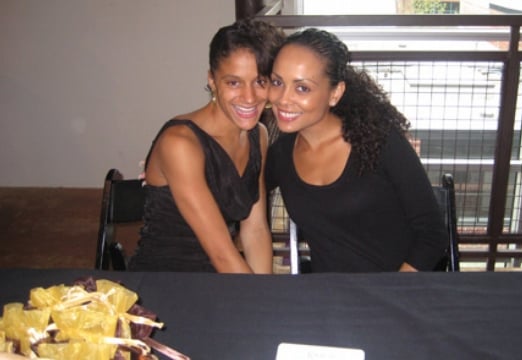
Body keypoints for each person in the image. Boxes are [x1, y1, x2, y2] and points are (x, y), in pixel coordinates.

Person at [265, 28, 448, 273]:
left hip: (398, 288)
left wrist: (392, 292)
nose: (283, 99)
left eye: (302, 88)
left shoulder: (380, 141)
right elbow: (237, 197)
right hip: (331, 295)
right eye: (277, 82)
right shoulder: (281, 155)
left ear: (335, 93)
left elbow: (432, 234)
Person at [127, 19, 285, 273]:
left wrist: (263, 291)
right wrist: (262, 305)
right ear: (212, 80)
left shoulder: (259, 135)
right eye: (233, 82)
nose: (249, 97)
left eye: (260, 81)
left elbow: (255, 229)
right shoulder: (180, 143)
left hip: (221, 278)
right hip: (165, 280)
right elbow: (222, 254)